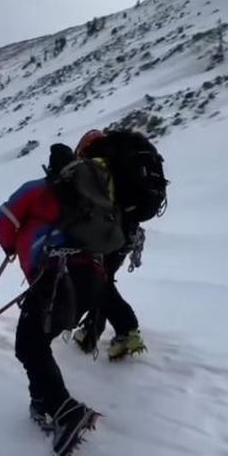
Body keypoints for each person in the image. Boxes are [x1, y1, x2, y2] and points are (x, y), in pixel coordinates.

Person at [0, 143, 124, 456]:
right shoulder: (93, 194)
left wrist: (14, 245)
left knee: (29, 345)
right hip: (94, 278)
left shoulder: (37, 190)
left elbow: (0, 224)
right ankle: (41, 403)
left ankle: (65, 410)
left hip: (59, 276)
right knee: (36, 341)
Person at [73, 128, 160, 360]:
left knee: (98, 282)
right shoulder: (123, 158)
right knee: (102, 279)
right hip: (128, 228)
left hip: (109, 230)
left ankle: (127, 331)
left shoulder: (101, 163)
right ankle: (91, 331)